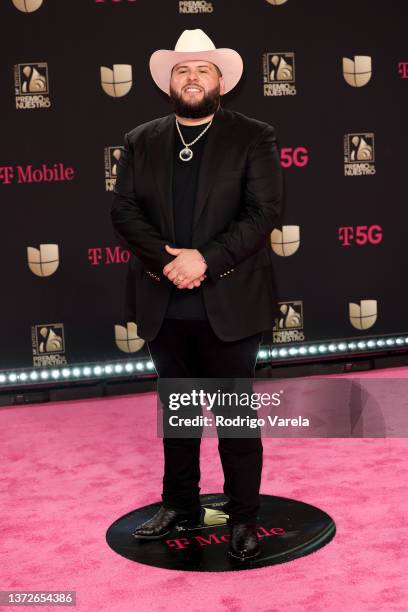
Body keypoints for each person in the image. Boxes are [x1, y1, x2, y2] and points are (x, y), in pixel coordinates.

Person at [111, 29, 283, 561]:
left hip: (230, 299)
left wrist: (203, 260)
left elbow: (263, 214)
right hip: (165, 298)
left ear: (221, 81)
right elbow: (124, 212)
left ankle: (244, 516)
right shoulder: (142, 138)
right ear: (168, 81)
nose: (192, 77)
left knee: (234, 417)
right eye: (182, 70)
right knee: (179, 413)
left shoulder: (253, 136)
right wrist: (170, 263)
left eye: (202, 69)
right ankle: (180, 504)